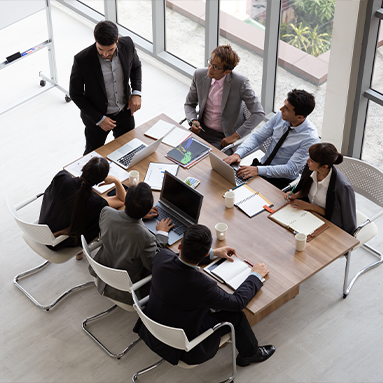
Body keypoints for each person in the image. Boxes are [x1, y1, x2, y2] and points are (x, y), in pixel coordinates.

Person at [133, 224, 275, 367]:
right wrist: (255, 275)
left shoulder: (161, 257)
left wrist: (214, 253)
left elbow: (175, 258)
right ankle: (250, 354)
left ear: (180, 247)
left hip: (152, 329)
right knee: (236, 316)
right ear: (206, 253)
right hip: (185, 348)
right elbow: (237, 302)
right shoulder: (203, 286)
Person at [89, 182, 174, 305]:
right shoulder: (145, 238)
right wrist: (161, 233)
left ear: (124, 202)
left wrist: (137, 215)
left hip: (102, 269)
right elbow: (154, 264)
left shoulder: (106, 212)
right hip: (125, 288)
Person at [69, 20, 142, 155]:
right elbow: (75, 93)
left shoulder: (128, 44)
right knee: (92, 156)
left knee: (129, 151)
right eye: (101, 49)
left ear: (117, 40)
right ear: (95, 40)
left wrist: (136, 92)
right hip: (97, 119)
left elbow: (136, 67)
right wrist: (99, 119)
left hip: (124, 112)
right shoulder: (82, 60)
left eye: (110, 50)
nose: (105, 54)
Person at [224, 89, 319, 189]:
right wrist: (238, 153)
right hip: (260, 167)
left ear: (300, 117)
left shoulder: (310, 138)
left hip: (280, 180)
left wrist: (258, 170)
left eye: (286, 109)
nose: (281, 109)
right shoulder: (280, 116)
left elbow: (291, 169)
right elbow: (257, 137)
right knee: (226, 185)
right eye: (284, 104)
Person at [184, 44, 264, 151]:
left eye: (216, 67)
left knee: (207, 165)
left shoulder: (240, 83)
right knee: (177, 153)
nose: (210, 68)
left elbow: (259, 113)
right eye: (210, 62)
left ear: (227, 72)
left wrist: (235, 136)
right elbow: (189, 104)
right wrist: (193, 120)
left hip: (224, 137)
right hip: (201, 130)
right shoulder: (199, 75)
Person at [39, 157, 126, 251]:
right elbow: (122, 200)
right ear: (101, 180)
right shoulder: (96, 203)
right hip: (58, 242)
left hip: (41, 229)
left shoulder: (62, 178)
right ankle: (79, 252)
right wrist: (116, 180)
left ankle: (79, 254)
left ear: (84, 167)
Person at [285, 143, 357, 235]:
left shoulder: (342, 187)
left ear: (324, 166)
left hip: (327, 225)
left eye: (311, 160)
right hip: (307, 216)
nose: (307, 161)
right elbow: (305, 190)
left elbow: (339, 216)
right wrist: (295, 195)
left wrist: (310, 206)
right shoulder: (310, 169)